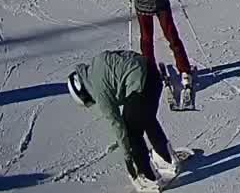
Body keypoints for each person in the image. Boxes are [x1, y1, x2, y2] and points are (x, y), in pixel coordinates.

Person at [68, 49, 180, 191]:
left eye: (89, 101)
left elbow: (118, 125)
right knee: (146, 118)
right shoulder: (98, 61)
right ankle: (167, 159)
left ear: (83, 91)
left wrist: (128, 158)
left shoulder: (97, 90)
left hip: (140, 84)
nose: (93, 102)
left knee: (131, 132)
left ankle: (149, 179)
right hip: (152, 72)